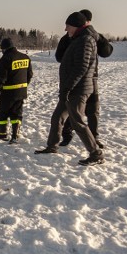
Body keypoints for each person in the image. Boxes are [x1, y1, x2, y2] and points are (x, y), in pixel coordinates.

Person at [35, 11, 105, 166]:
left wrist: (68, 87)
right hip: (71, 89)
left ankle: (95, 153)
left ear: (75, 25)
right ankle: (52, 146)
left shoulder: (85, 40)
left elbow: (81, 68)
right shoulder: (78, 39)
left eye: (68, 25)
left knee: (78, 122)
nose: (66, 29)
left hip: (77, 89)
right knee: (57, 117)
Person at [60, 9, 113, 148]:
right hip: (76, 80)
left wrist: (99, 38)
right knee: (73, 110)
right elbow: (60, 57)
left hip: (92, 78)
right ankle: (67, 133)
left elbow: (107, 52)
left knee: (93, 110)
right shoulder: (70, 38)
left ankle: (94, 138)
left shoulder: (93, 37)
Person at [0, 37, 32, 144]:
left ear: (4, 48)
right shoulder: (25, 57)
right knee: (17, 114)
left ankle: (3, 134)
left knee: (3, 113)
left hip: (8, 93)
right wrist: (23, 86)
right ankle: (15, 136)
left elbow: (0, 78)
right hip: (21, 92)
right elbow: (30, 74)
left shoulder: (6, 58)